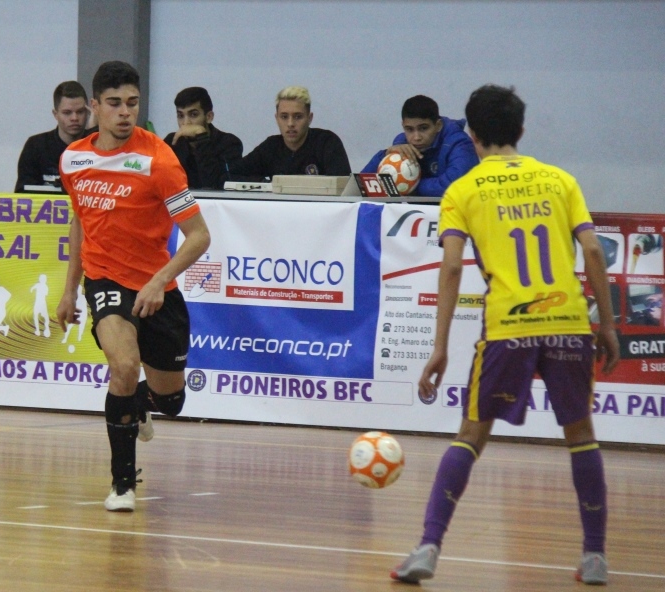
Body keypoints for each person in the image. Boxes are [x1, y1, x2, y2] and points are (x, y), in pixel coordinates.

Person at [391, 85, 620, 586]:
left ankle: (428, 547)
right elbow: (593, 252)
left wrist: (439, 348)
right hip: (568, 324)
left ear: (471, 134)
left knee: (471, 437)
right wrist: (606, 325)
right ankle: (595, 557)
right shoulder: (560, 180)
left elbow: (452, 267)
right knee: (581, 437)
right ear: (521, 130)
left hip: (507, 328)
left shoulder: (463, 190)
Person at [56, 60, 211, 512]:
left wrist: (160, 281)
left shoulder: (159, 161)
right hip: (105, 278)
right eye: (114, 104)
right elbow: (80, 222)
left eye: (132, 103)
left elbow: (199, 236)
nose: (125, 112)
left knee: (172, 400)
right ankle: (122, 483)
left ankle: (141, 403)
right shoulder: (73, 159)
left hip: (155, 286)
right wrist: (70, 289)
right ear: (94, 106)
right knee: (123, 366)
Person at [361, 95, 479, 197]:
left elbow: (455, 186)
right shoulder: (402, 143)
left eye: (423, 128)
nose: (416, 137)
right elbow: (362, 183)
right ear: (403, 126)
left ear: (438, 125)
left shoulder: (460, 144)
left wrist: (407, 184)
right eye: (409, 129)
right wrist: (385, 154)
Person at [228, 85, 350, 181]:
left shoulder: (327, 143)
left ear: (309, 118)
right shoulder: (270, 147)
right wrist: (266, 184)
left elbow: (343, 185)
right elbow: (230, 174)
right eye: (284, 117)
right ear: (276, 118)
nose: (290, 123)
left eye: (298, 117)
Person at [14, 81, 91, 193]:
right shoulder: (35, 146)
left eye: (80, 112)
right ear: (55, 114)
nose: (74, 118)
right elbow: (22, 195)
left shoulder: (99, 144)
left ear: (88, 113)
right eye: (67, 113)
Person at [162, 87, 243, 189]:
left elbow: (216, 185)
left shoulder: (229, 143)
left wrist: (201, 137)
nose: (186, 123)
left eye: (193, 115)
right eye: (180, 116)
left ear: (209, 117)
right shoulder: (172, 142)